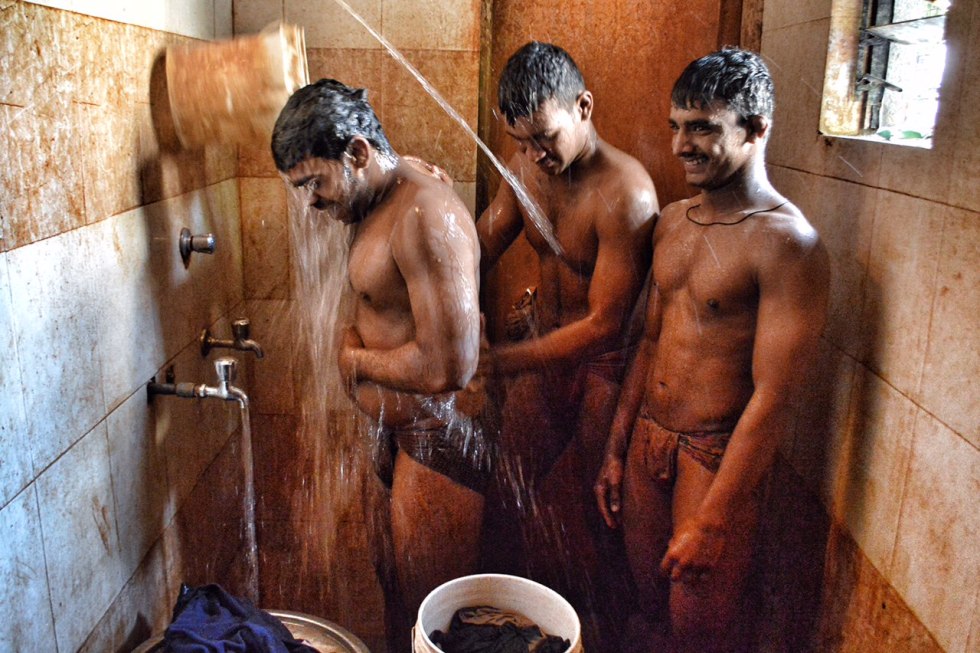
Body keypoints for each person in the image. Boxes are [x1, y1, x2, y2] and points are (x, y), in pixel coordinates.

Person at [594, 48, 831, 653]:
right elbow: (648, 342)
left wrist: (714, 518)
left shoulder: (788, 244)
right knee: (647, 609)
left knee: (698, 629)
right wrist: (616, 447)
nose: (680, 145)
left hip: (713, 457)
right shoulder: (673, 222)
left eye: (702, 127)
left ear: (756, 129)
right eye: (677, 125)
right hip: (649, 438)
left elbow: (774, 399)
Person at [272, 79, 488, 653]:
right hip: (398, 430)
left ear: (359, 153)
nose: (311, 202)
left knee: (430, 621)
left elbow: (451, 365)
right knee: (397, 597)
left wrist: (355, 360)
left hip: (438, 436)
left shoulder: (424, 215)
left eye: (314, 183)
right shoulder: (379, 196)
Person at [476, 41, 659, 649]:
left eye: (545, 138)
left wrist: (501, 360)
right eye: (521, 141)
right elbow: (478, 247)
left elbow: (607, 323)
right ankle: (498, 634)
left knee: (598, 524)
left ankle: (607, 640)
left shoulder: (627, 194)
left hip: (602, 371)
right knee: (502, 495)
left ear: (583, 106)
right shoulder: (526, 165)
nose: (534, 155)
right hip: (543, 359)